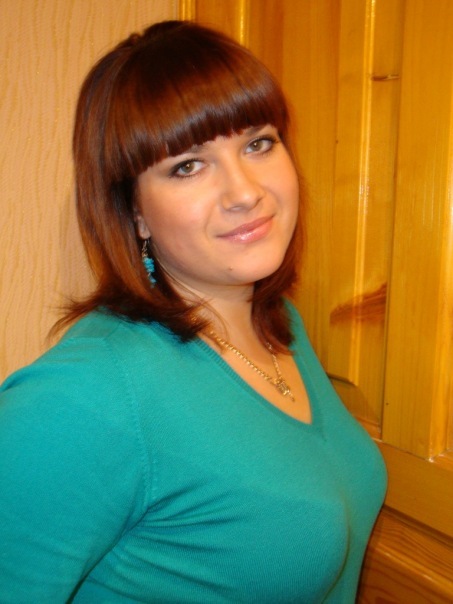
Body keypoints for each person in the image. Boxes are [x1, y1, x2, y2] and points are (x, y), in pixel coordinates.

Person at [0, 20, 387, 603]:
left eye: (258, 143)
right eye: (187, 165)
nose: (245, 191)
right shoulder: (86, 395)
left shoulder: (280, 325)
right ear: (134, 212)